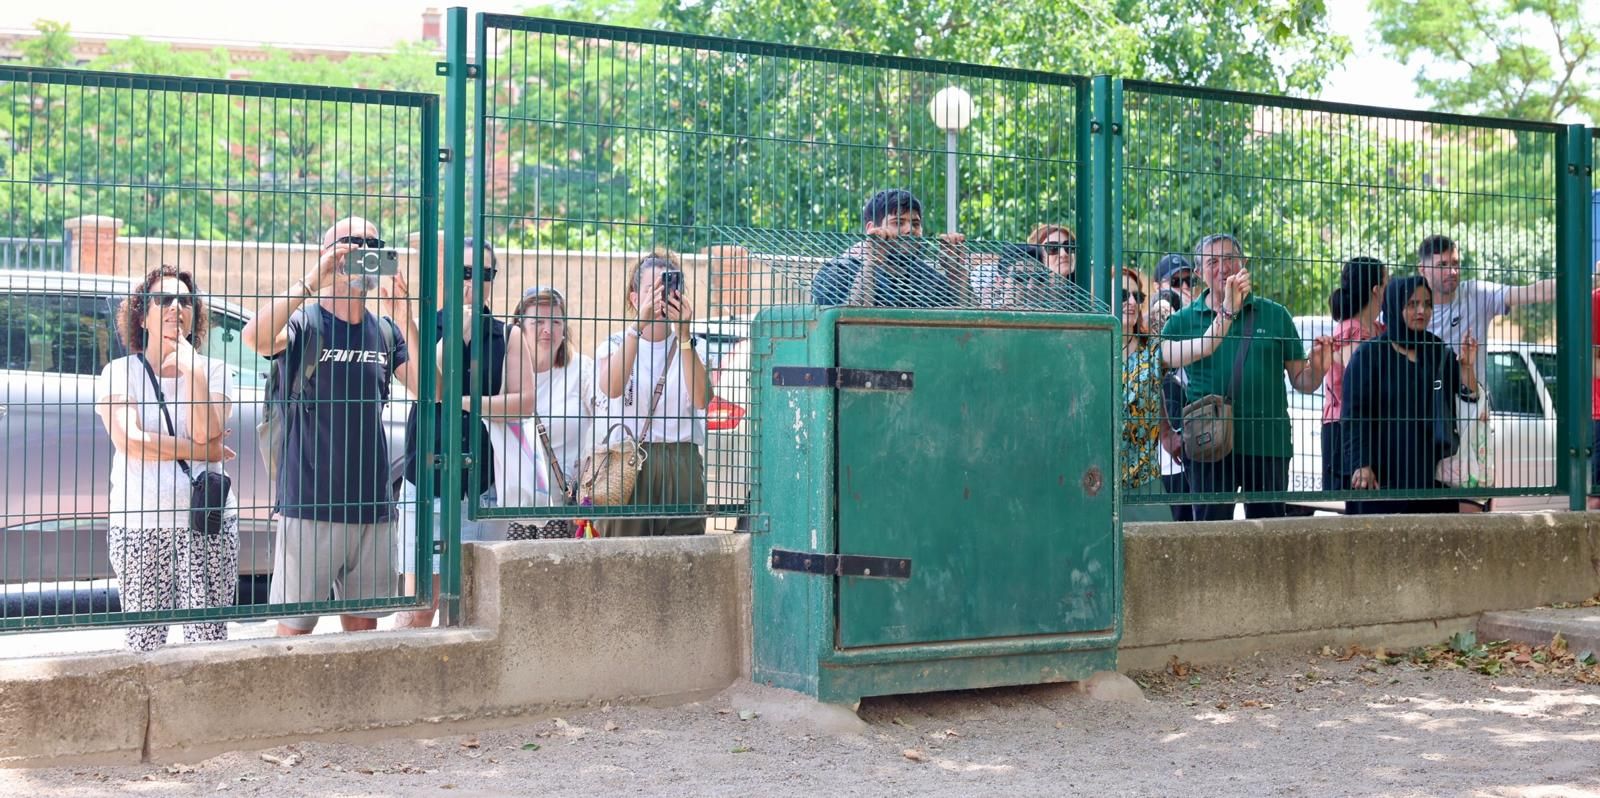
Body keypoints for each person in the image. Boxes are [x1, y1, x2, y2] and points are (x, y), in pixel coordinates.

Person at [243, 217, 420, 637]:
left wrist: (405, 316)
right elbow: (256, 338)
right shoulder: (304, 322)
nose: (365, 251)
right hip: (310, 505)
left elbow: (431, 389)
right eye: (352, 243)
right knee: (295, 631)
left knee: (363, 630)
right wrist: (311, 281)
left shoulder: (385, 331)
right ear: (329, 254)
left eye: (374, 244)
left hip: (373, 508)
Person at [95, 266, 238, 651]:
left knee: (207, 642)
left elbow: (204, 430)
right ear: (142, 316)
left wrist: (193, 371)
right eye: (163, 299)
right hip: (139, 524)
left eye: (185, 301)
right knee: (144, 643)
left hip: (206, 523)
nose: (176, 307)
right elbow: (130, 440)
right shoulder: (119, 373)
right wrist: (203, 452)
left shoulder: (215, 372)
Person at [1159, 233, 1333, 521]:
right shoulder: (1181, 321)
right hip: (1207, 444)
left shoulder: (1276, 315)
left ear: (1243, 263)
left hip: (1268, 444)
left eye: (1230, 259)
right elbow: (1152, 378)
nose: (1223, 267)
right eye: (1213, 262)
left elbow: (1302, 381)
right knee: (1212, 534)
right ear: (1199, 273)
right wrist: (1167, 433)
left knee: (1268, 533)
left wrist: (1317, 368)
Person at [395, 238, 510, 629]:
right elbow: (429, 388)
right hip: (428, 482)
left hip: (482, 486)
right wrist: (412, 321)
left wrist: (466, 403)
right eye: (465, 272)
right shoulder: (424, 327)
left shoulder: (503, 335)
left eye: (484, 274)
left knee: (472, 610)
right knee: (419, 607)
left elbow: (524, 401)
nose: (474, 282)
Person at [1417, 234, 1554, 512]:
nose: (1452, 271)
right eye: (1442, 265)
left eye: (1456, 263)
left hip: (1470, 416)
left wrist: (1587, 280)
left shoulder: (1476, 294)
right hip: (1425, 419)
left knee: (1471, 513)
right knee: (1426, 513)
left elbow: (1531, 292)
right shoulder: (1410, 305)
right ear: (1423, 269)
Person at [593, 251, 712, 536]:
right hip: (628, 460)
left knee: (685, 552)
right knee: (623, 550)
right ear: (635, 298)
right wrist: (637, 327)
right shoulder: (615, 343)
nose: (661, 297)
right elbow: (612, 387)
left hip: (681, 459)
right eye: (652, 290)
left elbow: (701, 399)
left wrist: (683, 335)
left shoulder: (694, 345)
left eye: (668, 288)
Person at [1343, 276, 1479, 515]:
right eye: (1412, 304)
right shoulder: (1368, 356)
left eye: (1427, 304)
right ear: (1395, 307)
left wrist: (1467, 367)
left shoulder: (1438, 351)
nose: (1422, 311)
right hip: (1382, 475)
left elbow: (1469, 398)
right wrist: (1361, 463)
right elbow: (1354, 416)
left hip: (1433, 475)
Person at [481, 285, 596, 532]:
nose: (548, 329)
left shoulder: (582, 370)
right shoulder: (501, 371)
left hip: (566, 508)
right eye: (538, 322)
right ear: (519, 327)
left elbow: (606, 419)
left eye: (556, 322)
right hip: (513, 506)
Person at [810, 189, 973, 308]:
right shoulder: (838, 272)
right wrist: (871, 265)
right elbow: (848, 327)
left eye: (916, 224)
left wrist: (957, 274)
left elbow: (970, 327)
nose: (910, 230)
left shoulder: (928, 278)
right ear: (871, 228)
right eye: (898, 223)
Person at [1321, 256, 1387, 493]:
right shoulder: (1351, 331)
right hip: (1345, 428)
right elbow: (1360, 387)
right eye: (1387, 283)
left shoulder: (1379, 329)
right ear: (1376, 290)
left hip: (1369, 426)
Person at [1119, 268, 1169, 522]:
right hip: (1097, 480)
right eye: (1122, 295)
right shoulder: (1091, 348)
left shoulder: (1153, 349)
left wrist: (1226, 312)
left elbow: (1200, 347)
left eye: (1137, 297)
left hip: (1144, 479)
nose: (1131, 302)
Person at [1149, 288, 1191, 521]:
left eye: (1167, 318)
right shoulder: (1142, 361)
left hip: (1182, 465)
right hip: (1151, 470)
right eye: (1157, 318)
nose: (1161, 325)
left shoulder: (1187, 363)